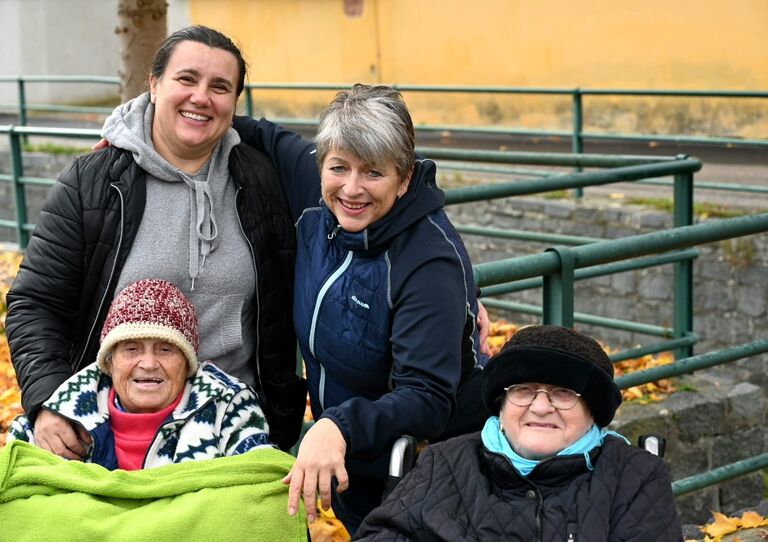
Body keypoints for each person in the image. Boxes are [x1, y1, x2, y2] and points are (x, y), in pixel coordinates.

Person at [5, 26, 306, 456]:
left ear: (235, 103)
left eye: (219, 86)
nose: (201, 97)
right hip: (107, 434)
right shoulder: (93, 184)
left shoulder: (262, 182)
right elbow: (36, 303)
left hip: (234, 432)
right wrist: (49, 401)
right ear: (153, 84)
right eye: (186, 79)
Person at [231, 84, 489, 534]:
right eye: (339, 168)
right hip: (353, 460)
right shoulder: (317, 191)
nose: (351, 189)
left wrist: (336, 426)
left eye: (373, 173)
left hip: (422, 470)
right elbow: (252, 130)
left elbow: (428, 398)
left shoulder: (429, 261)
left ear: (404, 177)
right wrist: (142, 124)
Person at [355, 325, 683, 541]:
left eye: (563, 393)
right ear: (502, 401)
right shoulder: (444, 463)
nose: (540, 407)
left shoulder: (634, 476)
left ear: (592, 410)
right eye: (523, 390)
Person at [8, 279, 272, 468]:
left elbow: (257, 486)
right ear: (109, 363)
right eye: (132, 349)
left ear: (188, 364)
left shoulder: (229, 409)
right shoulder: (60, 415)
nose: (148, 363)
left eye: (166, 349)